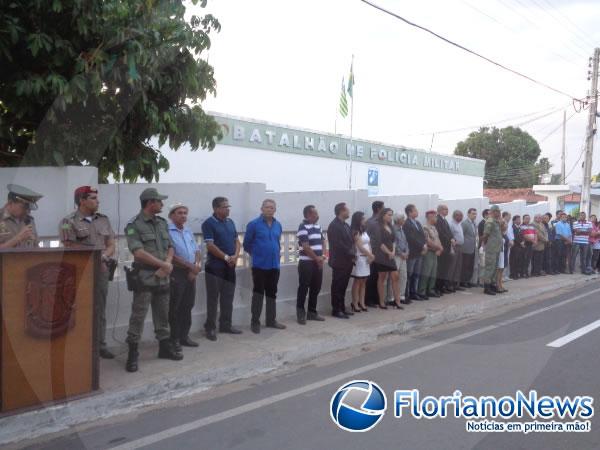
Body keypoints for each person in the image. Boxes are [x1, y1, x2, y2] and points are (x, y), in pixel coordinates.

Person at [124, 188, 181, 372]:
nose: (162, 205)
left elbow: (171, 246)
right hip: (145, 278)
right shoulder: (134, 224)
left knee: (163, 314)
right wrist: (162, 265)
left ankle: (164, 348)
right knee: (138, 317)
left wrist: (168, 263)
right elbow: (138, 252)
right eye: (159, 201)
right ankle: (133, 353)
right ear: (150, 203)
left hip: (163, 277)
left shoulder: (162, 223)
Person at [60, 186, 116, 359]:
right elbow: (69, 246)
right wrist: (95, 257)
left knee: (100, 308)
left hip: (101, 270)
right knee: (78, 309)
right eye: (92, 198)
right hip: (80, 273)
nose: (97, 201)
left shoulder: (104, 219)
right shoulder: (68, 221)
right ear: (82, 201)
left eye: (96, 198)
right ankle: (80, 346)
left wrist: (103, 257)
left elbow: (111, 244)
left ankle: (100, 345)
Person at [201, 197, 243, 341]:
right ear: (216, 209)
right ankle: (210, 328)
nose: (228, 209)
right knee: (213, 298)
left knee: (228, 296)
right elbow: (210, 246)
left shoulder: (230, 222)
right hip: (215, 267)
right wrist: (226, 257)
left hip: (230, 267)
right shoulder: (208, 224)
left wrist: (235, 256)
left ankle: (226, 325)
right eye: (225, 207)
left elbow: (237, 241)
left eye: (228, 206)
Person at [243, 199, 286, 334]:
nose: (269, 209)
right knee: (258, 294)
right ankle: (255, 322)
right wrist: (257, 254)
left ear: (275, 210)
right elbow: (247, 244)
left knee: (272, 294)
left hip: (274, 265)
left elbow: (277, 242)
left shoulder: (278, 225)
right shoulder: (254, 224)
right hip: (259, 266)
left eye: (272, 207)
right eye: (267, 207)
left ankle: (271, 320)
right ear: (261, 209)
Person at [167, 203, 202, 350]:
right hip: (177, 272)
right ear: (171, 215)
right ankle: (174, 339)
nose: (183, 215)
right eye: (180, 213)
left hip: (191, 273)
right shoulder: (167, 231)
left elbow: (197, 251)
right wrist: (190, 266)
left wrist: (196, 268)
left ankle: (184, 336)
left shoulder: (188, 231)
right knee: (175, 307)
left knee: (188, 305)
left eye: (185, 213)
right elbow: (171, 255)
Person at [296, 205, 326, 325]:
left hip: (318, 262)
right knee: (304, 288)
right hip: (306, 263)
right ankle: (300, 313)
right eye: (315, 213)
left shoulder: (318, 227)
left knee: (316, 287)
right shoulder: (302, 227)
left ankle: (312, 312)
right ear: (308, 215)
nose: (317, 215)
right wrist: (316, 258)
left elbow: (323, 242)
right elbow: (306, 246)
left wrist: (322, 256)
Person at [371, 208, 403, 309]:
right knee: (382, 277)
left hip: (390, 255)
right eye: (389, 215)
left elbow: (393, 240)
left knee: (395, 276)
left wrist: (392, 251)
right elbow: (379, 242)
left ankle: (397, 301)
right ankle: (381, 302)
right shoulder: (378, 226)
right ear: (383, 215)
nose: (390, 217)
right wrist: (388, 252)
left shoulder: (390, 226)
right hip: (381, 255)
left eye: (391, 215)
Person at [327, 202, 355, 318]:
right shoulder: (334, 225)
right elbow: (337, 244)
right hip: (339, 261)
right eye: (347, 210)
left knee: (343, 285)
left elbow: (350, 241)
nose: (348, 212)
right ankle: (336, 309)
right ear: (341, 211)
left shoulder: (346, 225)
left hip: (347, 261)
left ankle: (342, 307)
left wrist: (352, 253)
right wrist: (350, 252)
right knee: (337, 285)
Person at [0, 184, 43, 249]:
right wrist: (18, 238)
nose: (27, 211)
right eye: (24, 207)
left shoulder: (29, 220)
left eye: (28, 208)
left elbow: (36, 245)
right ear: (10, 203)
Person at [350, 211, 374, 312]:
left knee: (364, 282)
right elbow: (359, 246)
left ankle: (362, 302)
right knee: (358, 281)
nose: (365, 220)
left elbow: (368, 244)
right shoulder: (355, 231)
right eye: (363, 218)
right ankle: (355, 303)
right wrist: (370, 255)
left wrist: (370, 254)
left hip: (366, 259)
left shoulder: (364, 231)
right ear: (358, 220)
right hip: (359, 258)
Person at [403, 204, 427, 301]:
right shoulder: (406, 224)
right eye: (415, 210)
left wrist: (424, 245)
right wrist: (422, 245)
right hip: (412, 252)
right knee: (409, 273)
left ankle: (414, 292)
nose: (417, 212)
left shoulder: (417, 223)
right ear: (409, 212)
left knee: (417, 274)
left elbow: (422, 235)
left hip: (420, 252)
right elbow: (411, 238)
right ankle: (406, 293)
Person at [419, 210, 443, 299]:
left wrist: (441, 248)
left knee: (433, 273)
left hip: (435, 252)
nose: (436, 218)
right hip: (429, 252)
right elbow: (428, 241)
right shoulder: (425, 227)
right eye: (435, 216)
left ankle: (431, 290)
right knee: (426, 272)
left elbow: (437, 239)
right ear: (430, 216)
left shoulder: (434, 227)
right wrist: (439, 248)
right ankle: (422, 291)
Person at [365, 201, 384, 307]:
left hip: (381, 254)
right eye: (383, 208)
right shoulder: (371, 222)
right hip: (373, 253)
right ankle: (369, 299)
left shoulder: (382, 222)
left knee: (378, 277)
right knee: (371, 277)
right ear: (378, 209)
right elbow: (367, 238)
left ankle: (377, 298)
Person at [481, 205, 503, 295]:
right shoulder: (490, 221)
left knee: (494, 268)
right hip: (491, 248)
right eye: (498, 211)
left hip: (496, 248)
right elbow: (485, 235)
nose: (499, 213)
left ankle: (492, 285)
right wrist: (486, 245)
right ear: (494, 212)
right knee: (489, 268)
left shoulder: (496, 221)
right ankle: (487, 287)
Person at [435, 205, 455, 294]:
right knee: (441, 269)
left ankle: (442, 286)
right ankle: (438, 287)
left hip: (447, 248)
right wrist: (449, 239)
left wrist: (453, 238)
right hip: (442, 247)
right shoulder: (438, 220)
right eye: (445, 209)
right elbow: (441, 233)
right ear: (440, 210)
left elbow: (449, 232)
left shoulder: (445, 220)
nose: (447, 211)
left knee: (445, 269)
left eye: (447, 209)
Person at [393, 214, 410, 304]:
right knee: (394, 277)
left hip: (404, 256)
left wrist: (407, 252)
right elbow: (394, 244)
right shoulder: (393, 230)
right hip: (396, 256)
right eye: (402, 218)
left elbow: (406, 242)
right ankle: (391, 297)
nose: (404, 220)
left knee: (403, 276)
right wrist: (401, 253)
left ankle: (401, 296)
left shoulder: (402, 229)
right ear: (397, 220)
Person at [448, 210, 465, 291]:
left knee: (459, 266)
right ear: (454, 216)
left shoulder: (459, 224)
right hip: (454, 247)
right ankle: (449, 284)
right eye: (459, 215)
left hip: (460, 247)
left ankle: (456, 284)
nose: (461, 217)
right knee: (452, 266)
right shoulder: (451, 224)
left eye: (461, 216)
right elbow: (450, 236)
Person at [460, 208, 478, 288]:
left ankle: (468, 280)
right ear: (468, 214)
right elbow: (461, 235)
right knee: (465, 266)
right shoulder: (465, 223)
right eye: (473, 213)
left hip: (473, 248)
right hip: (466, 248)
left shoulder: (474, 224)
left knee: (471, 265)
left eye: (475, 214)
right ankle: (463, 282)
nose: (474, 215)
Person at [495, 219, 508, 294]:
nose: (506, 226)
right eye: (505, 225)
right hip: (499, 252)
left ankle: (500, 284)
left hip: (503, 252)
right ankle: (498, 285)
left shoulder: (503, 233)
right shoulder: (498, 233)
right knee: (498, 270)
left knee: (501, 269)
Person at [501, 211, 513, 282]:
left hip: (508, 244)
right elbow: (504, 234)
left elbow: (510, 234)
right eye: (509, 216)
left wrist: (511, 241)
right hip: (504, 244)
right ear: (505, 216)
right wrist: (509, 241)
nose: (510, 218)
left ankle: (505, 275)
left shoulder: (508, 224)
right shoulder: (503, 223)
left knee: (506, 260)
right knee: (503, 260)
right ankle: (502, 276)